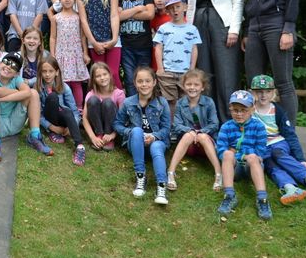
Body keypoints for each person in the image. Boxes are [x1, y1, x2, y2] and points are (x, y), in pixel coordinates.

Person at [186, 0, 243, 121]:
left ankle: (230, 123)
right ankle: (208, 124)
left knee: (226, 75)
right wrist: (188, 32)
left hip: (222, 24)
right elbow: (191, 5)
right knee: (204, 75)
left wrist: (234, 29)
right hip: (199, 23)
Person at [250, 74, 306, 203]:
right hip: (262, 147)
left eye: (268, 91)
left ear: (273, 92)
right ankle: (290, 187)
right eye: (259, 91)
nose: (263, 95)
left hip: (277, 143)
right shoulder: (250, 110)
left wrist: (300, 159)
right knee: (270, 165)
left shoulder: (277, 111)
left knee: (277, 154)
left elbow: (290, 135)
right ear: (252, 92)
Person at [113, 66, 172, 205]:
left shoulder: (161, 102)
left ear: (154, 82)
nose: (144, 84)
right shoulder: (128, 102)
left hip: (156, 142)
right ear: (135, 83)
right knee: (137, 130)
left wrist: (154, 136)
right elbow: (117, 124)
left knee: (156, 146)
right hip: (136, 144)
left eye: (147, 81)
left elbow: (166, 128)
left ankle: (161, 187)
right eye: (140, 81)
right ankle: (141, 176)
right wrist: (131, 132)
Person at [0, 53, 53, 162]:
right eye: (6, 62)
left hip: (14, 123)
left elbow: (28, 92)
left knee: (33, 93)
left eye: (14, 66)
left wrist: (2, 98)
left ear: (16, 73)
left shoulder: (16, 80)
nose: (9, 66)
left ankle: (35, 135)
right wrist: (16, 92)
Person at [216, 90, 272, 221]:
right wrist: (236, 153)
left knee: (252, 157)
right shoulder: (226, 127)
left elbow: (260, 151)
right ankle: (229, 195)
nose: (239, 114)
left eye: (243, 110)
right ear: (230, 109)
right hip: (234, 168)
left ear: (252, 109)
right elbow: (221, 150)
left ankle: (262, 199)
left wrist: (240, 153)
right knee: (227, 154)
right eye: (235, 110)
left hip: (251, 165)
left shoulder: (259, 127)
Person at [166, 69, 222, 192]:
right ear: (184, 86)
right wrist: (191, 131)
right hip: (189, 145)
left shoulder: (209, 102)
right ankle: (170, 172)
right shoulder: (180, 103)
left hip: (206, 144)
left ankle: (218, 173)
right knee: (188, 135)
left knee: (202, 136)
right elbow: (176, 124)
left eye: (196, 85)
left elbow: (214, 124)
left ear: (202, 87)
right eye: (189, 84)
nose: (192, 88)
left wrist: (201, 132)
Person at [153, 0, 201, 113]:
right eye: (171, 8)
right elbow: (158, 48)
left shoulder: (192, 29)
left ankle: (186, 127)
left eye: (178, 6)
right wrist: (160, 68)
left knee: (186, 100)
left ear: (185, 7)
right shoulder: (163, 28)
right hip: (168, 72)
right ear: (167, 10)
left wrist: (192, 68)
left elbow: (194, 49)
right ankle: (171, 128)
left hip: (185, 72)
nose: (175, 10)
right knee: (170, 101)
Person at [36, 55, 86, 164]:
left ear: (57, 72)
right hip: (50, 118)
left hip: (63, 117)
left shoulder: (64, 87)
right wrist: (51, 127)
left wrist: (72, 125)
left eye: (51, 71)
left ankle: (80, 146)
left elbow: (75, 112)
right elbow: (38, 115)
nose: (47, 74)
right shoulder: (38, 88)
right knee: (53, 97)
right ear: (40, 72)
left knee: (67, 110)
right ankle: (53, 133)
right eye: (44, 71)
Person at [80, 0, 122, 89]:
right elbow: (83, 21)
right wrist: (93, 42)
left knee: (113, 73)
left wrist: (114, 39)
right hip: (94, 41)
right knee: (100, 75)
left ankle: (120, 102)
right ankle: (102, 102)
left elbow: (114, 16)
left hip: (112, 39)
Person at [117, 0, 154, 96]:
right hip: (126, 45)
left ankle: (145, 105)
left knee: (145, 77)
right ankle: (132, 107)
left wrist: (126, 13)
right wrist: (138, 8)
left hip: (144, 44)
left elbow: (150, 14)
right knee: (129, 78)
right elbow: (117, 17)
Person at [50, 0, 89, 107]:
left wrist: (85, 53)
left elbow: (83, 36)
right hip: (61, 54)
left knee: (76, 83)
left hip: (75, 54)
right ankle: (63, 108)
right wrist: (52, 55)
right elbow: (53, 37)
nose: (67, 0)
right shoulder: (56, 18)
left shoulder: (79, 17)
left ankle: (79, 109)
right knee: (62, 82)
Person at [82, 62, 125, 151]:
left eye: (105, 74)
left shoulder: (119, 94)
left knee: (108, 102)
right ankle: (99, 135)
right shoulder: (91, 94)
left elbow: (123, 118)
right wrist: (92, 137)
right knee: (93, 100)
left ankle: (108, 138)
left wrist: (112, 135)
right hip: (96, 128)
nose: (102, 78)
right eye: (98, 76)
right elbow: (85, 118)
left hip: (112, 130)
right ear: (93, 79)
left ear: (110, 74)